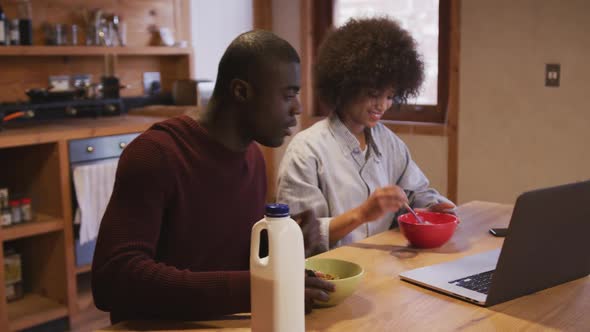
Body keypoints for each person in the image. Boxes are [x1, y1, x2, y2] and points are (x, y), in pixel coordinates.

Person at [91, 30, 333, 324]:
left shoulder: (253, 157)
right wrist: (259, 289)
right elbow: (114, 280)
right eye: (288, 94)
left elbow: (221, 254)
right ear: (241, 91)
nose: (297, 108)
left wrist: (282, 242)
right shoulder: (156, 154)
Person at [276, 17, 455, 253]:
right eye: (373, 94)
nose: (382, 105)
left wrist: (434, 207)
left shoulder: (390, 144)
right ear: (345, 85)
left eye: (390, 96)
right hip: (331, 277)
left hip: (383, 269)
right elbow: (296, 237)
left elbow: (417, 193)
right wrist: (361, 214)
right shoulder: (307, 151)